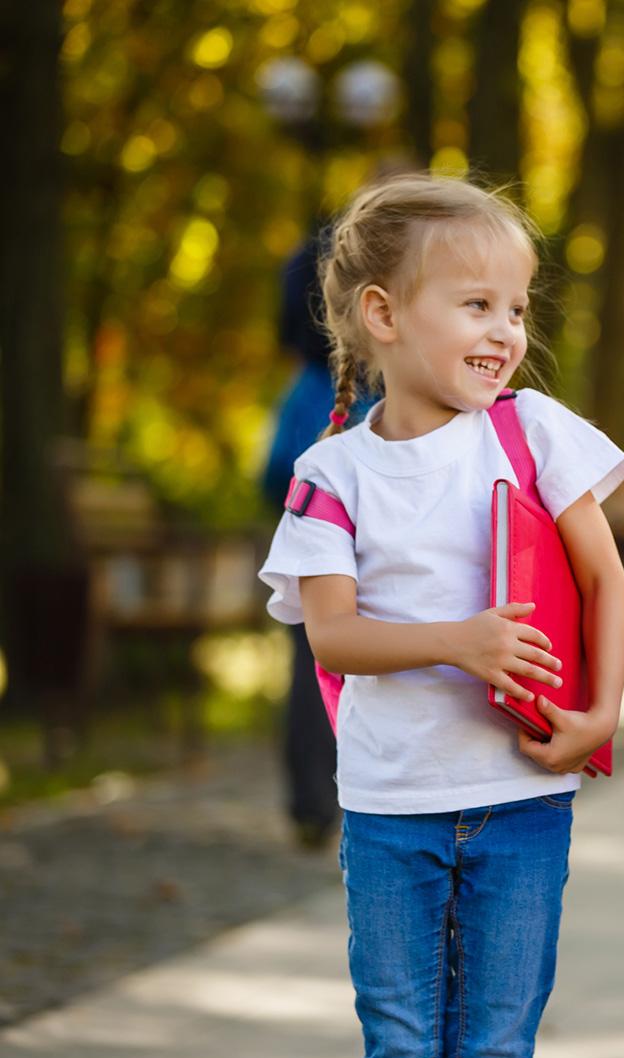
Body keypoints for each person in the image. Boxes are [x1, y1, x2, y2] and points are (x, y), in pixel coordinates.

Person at [257, 173, 624, 1058]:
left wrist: (601, 716)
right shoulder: (332, 471)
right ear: (383, 313)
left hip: (523, 801)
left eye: (516, 307)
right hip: (392, 810)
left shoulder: (533, 432)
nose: (507, 330)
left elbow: (604, 580)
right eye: (476, 305)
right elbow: (333, 634)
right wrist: (459, 642)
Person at [260, 225, 346, 849]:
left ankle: (312, 803)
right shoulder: (390, 397)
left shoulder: (305, 394)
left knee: (311, 658)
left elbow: (273, 476)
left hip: (307, 542)